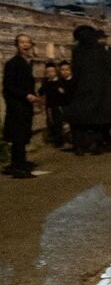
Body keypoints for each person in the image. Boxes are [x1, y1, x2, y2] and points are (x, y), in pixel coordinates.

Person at [66, 25, 111, 156]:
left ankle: (79, 146)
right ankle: (95, 145)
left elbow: (76, 70)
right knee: (97, 118)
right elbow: (109, 68)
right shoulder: (100, 50)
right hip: (99, 88)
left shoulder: (77, 51)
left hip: (82, 88)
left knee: (79, 118)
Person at [2, 34, 39, 178]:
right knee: (18, 136)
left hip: (25, 105)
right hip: (17, 105)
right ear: (17, 45)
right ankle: (17, 166)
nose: (25, 45)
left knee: (23, 134)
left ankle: (21, 161)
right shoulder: (13, 63)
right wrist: (25, 95)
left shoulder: (26, 62)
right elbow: (8, 86)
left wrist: (32, 94)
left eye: (27, 42)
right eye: (22, 42)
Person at [37, 62, 66, 147]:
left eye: (52, 71)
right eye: (48, 72)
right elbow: (41, 91)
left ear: (55, 72)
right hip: (49, 106)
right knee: (52, 123)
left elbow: (64, 92)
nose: (50, 73)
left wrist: (62, 92)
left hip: (58, 106)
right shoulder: (46, 82)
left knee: (58, 123)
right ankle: (55, 139)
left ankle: (59, 141)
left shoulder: (60, 81)